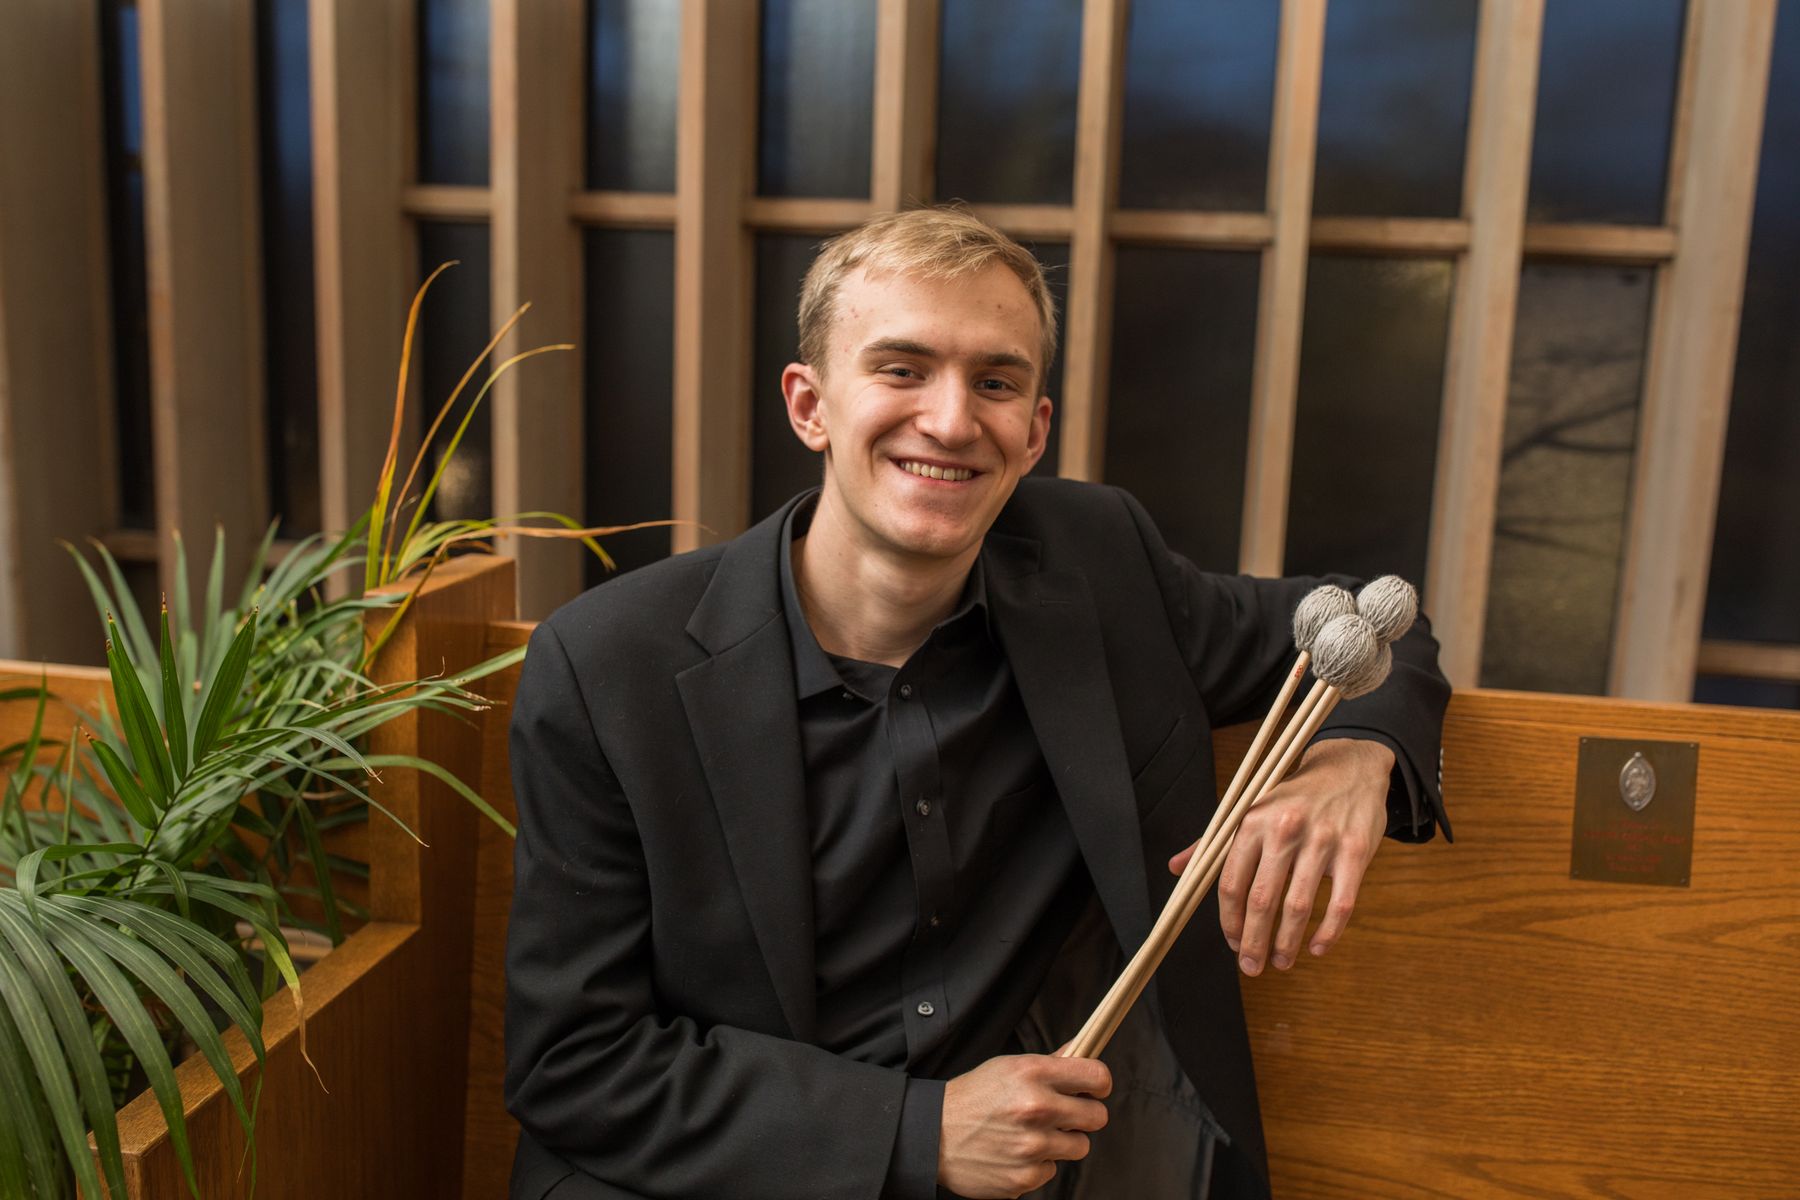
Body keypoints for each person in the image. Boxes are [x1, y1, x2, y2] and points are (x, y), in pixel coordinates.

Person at [504, 206, 1451, 1200]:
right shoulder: (609, 666)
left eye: (995, 382)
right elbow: (574, 1059)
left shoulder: (1099, 564)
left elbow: (1371, 622)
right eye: (901, 369)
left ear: (1035, 429)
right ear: (810, 405)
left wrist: (1354, 759)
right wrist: (918, 1133)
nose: (952, 422)